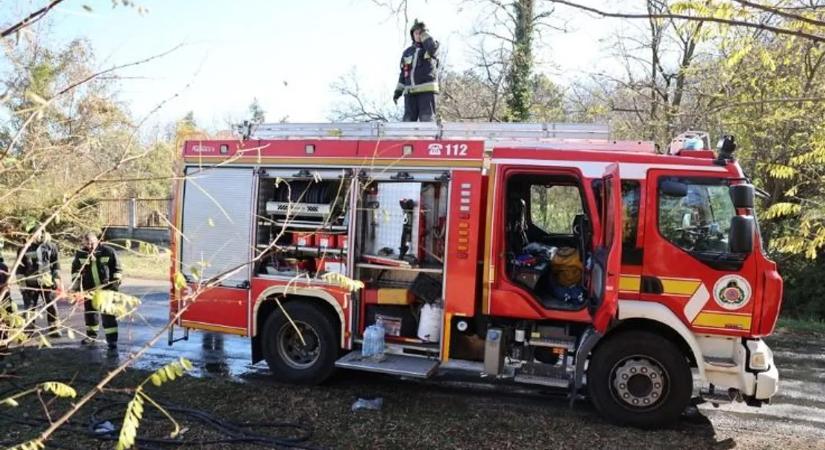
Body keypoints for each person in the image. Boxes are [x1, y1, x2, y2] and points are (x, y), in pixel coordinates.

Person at [71, 232, 123, 350]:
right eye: (87, 244)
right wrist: (76, 286)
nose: (89, 246)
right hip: (89, 290)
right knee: (90, 314)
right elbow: (75, 271)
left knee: (108, 316)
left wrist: (114, 285)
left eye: (92, 243)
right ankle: (91, 336)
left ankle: (112, 341)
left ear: (97, 241)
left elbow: (117, 269)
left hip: (106, 290)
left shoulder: (108, 251)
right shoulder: (81, 254)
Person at [16, 231, 62, 337]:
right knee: (29, 307)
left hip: (47, 283)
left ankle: (54, 328)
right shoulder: (23, 248)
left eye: (36, 233)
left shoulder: (51, 246)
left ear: (42, 232)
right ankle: (28, 330)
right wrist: (22, 284)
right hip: (30, 283)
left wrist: (56, 279)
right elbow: (20, 267)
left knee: (51, 305)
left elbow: (56, 265)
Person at [393, 19, 439, 122]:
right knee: (408, 121)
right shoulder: (407, 52)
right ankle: (408, 138)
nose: (418, 35)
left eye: (421, 33)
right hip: (410, 93)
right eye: (416, 33)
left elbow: (432, 49)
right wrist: (398, 91)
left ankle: (428, 138)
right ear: (412, 35)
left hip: (427, 92)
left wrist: (425, 34)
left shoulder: (431, 47)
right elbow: (403, 74)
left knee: (427, 120)